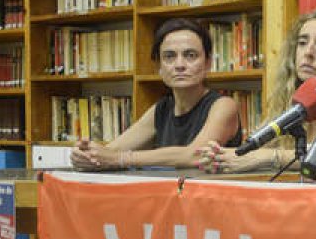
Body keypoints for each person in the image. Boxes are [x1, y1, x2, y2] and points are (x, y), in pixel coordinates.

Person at [196, 7, 316, 173]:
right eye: (302, 43)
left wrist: (264, 157)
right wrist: (224, 157)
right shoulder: (292, 97)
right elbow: (258, 150)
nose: (308, 52)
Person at [70, 18, 241, 170]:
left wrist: (120, 159)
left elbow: (196, 155)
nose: (179, 65)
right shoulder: (162, 108)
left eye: (190, 55)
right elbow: (112, 150)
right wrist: (87, 154)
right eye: (169, 56)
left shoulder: (223, 106)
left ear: (208, 63)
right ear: (159, 67)